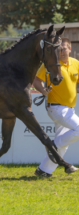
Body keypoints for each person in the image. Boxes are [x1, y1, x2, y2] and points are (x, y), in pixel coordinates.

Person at [33, 37, 79, 177]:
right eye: (60, 49)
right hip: (56, 108)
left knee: (63, 143)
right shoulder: (51, 63)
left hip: (70, 109)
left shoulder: (76, 63)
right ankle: (51, 145)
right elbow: (35, 79)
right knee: (74, 133)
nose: (62, 52)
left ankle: (43, 170)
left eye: (64, 48)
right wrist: (42, 90)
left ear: (70, 49)